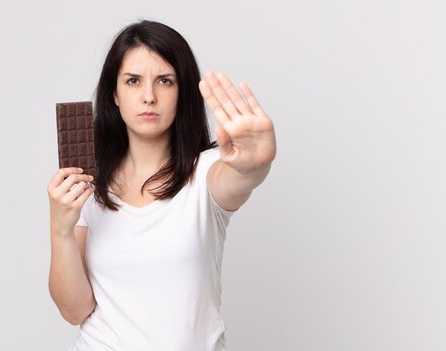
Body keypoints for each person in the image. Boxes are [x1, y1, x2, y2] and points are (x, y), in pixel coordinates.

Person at [47, 20, 276, 350]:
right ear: (114, 93)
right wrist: (60, 228)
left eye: (164, 81)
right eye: (133, 81)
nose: (148, 96)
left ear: (181, 92)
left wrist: (256, 163)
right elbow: (74, 310)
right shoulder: (86, 182)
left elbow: (239, 178)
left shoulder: (208, 169)